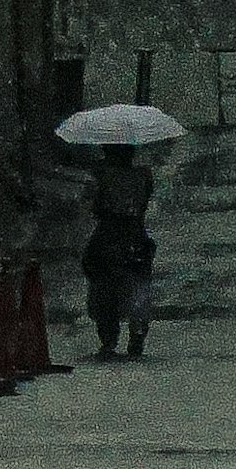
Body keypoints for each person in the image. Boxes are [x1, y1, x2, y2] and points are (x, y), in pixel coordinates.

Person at [81, 145, 157, 360]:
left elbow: (95, 208)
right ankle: (137, 332)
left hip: (108, 237)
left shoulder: (103, 177)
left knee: (104, 289)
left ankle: (109, 339)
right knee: (137, 285)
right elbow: (143, 202)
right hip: (135, 235)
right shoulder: (143, 176)